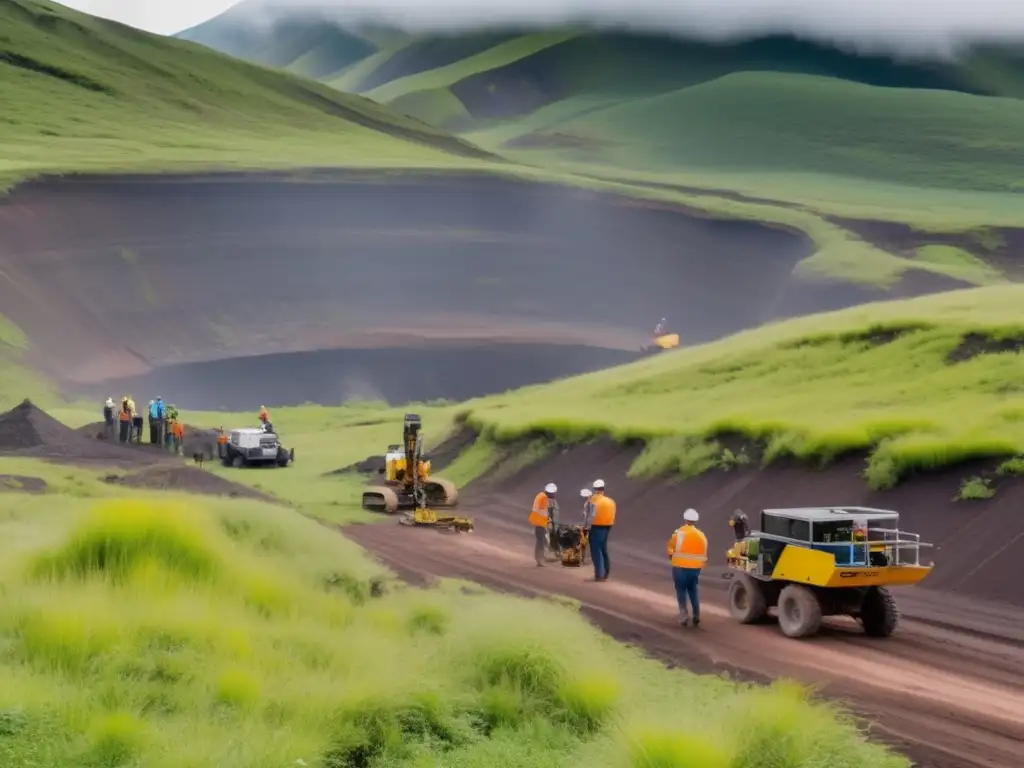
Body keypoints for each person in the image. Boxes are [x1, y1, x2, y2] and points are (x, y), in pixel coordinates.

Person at [667, 508, 708, 627]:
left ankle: (684, 615)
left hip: (680, 567)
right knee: (693, 590)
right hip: (695, 569)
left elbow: (670, 548)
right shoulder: (702, 536)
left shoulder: (679, 533)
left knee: (681, 591)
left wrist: (672, 556)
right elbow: (704, 554)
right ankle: (696, 615)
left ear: (685, 519)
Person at [588, 479, 616, 581]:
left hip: (596, 526)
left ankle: (599, 574)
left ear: (595, 489)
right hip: (608, 526)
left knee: (596, 550)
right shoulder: (610, 501)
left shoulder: (593, 500)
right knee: (603, 549)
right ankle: (605, 572)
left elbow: (590, 515)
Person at [529, 483, 558, 567]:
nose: (553, 495)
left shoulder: (540, 495)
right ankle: (540, 560)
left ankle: (539, 558)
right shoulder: (543, 499)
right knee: (541, 542)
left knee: (540, 541)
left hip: (537, 521)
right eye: (553, 494)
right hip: (540, 523)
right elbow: (544, 512)